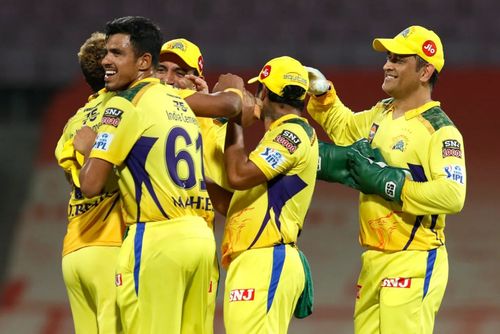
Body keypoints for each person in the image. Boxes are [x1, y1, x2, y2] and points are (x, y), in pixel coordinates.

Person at [307, 25, 466, 333]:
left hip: (415, 258)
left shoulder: (441, 131)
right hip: (373, 259)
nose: (386, 65)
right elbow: (346, 129)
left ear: (424, 71)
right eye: (388, 58)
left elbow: (452, 195)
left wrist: (389, 182)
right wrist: (323, 94)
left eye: (398, 59)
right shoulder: (382, 113)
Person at [74, 16, 216, 333]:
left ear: (143, 62)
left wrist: (89, 149)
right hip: (201, 238)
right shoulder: (181, 103)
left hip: (155, 237)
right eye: (106, 53)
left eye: (116, 53)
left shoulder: (124, 105)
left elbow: (91, 184)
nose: (105, 61)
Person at [155, 37, 258, 334]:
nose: (169, 79)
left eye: (180, 72)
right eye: (162, 69)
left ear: (196, 80)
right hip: (148, 236)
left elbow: (228, 204)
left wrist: (220, 99)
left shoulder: (215, 127)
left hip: (197, 244)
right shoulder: (144, 105)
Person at [216, 56, 318, 334]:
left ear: (265, 94)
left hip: (266, 259)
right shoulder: (281, 136)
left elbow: (238, 175)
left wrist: (234, 118)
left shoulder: (291, 133)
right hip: (257, 259)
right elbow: (238, 204)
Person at [54, 31, 124, 334]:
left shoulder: (74, 122)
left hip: (74, 252)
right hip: (111, 246)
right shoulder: (126, 108)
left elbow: (72, 179)